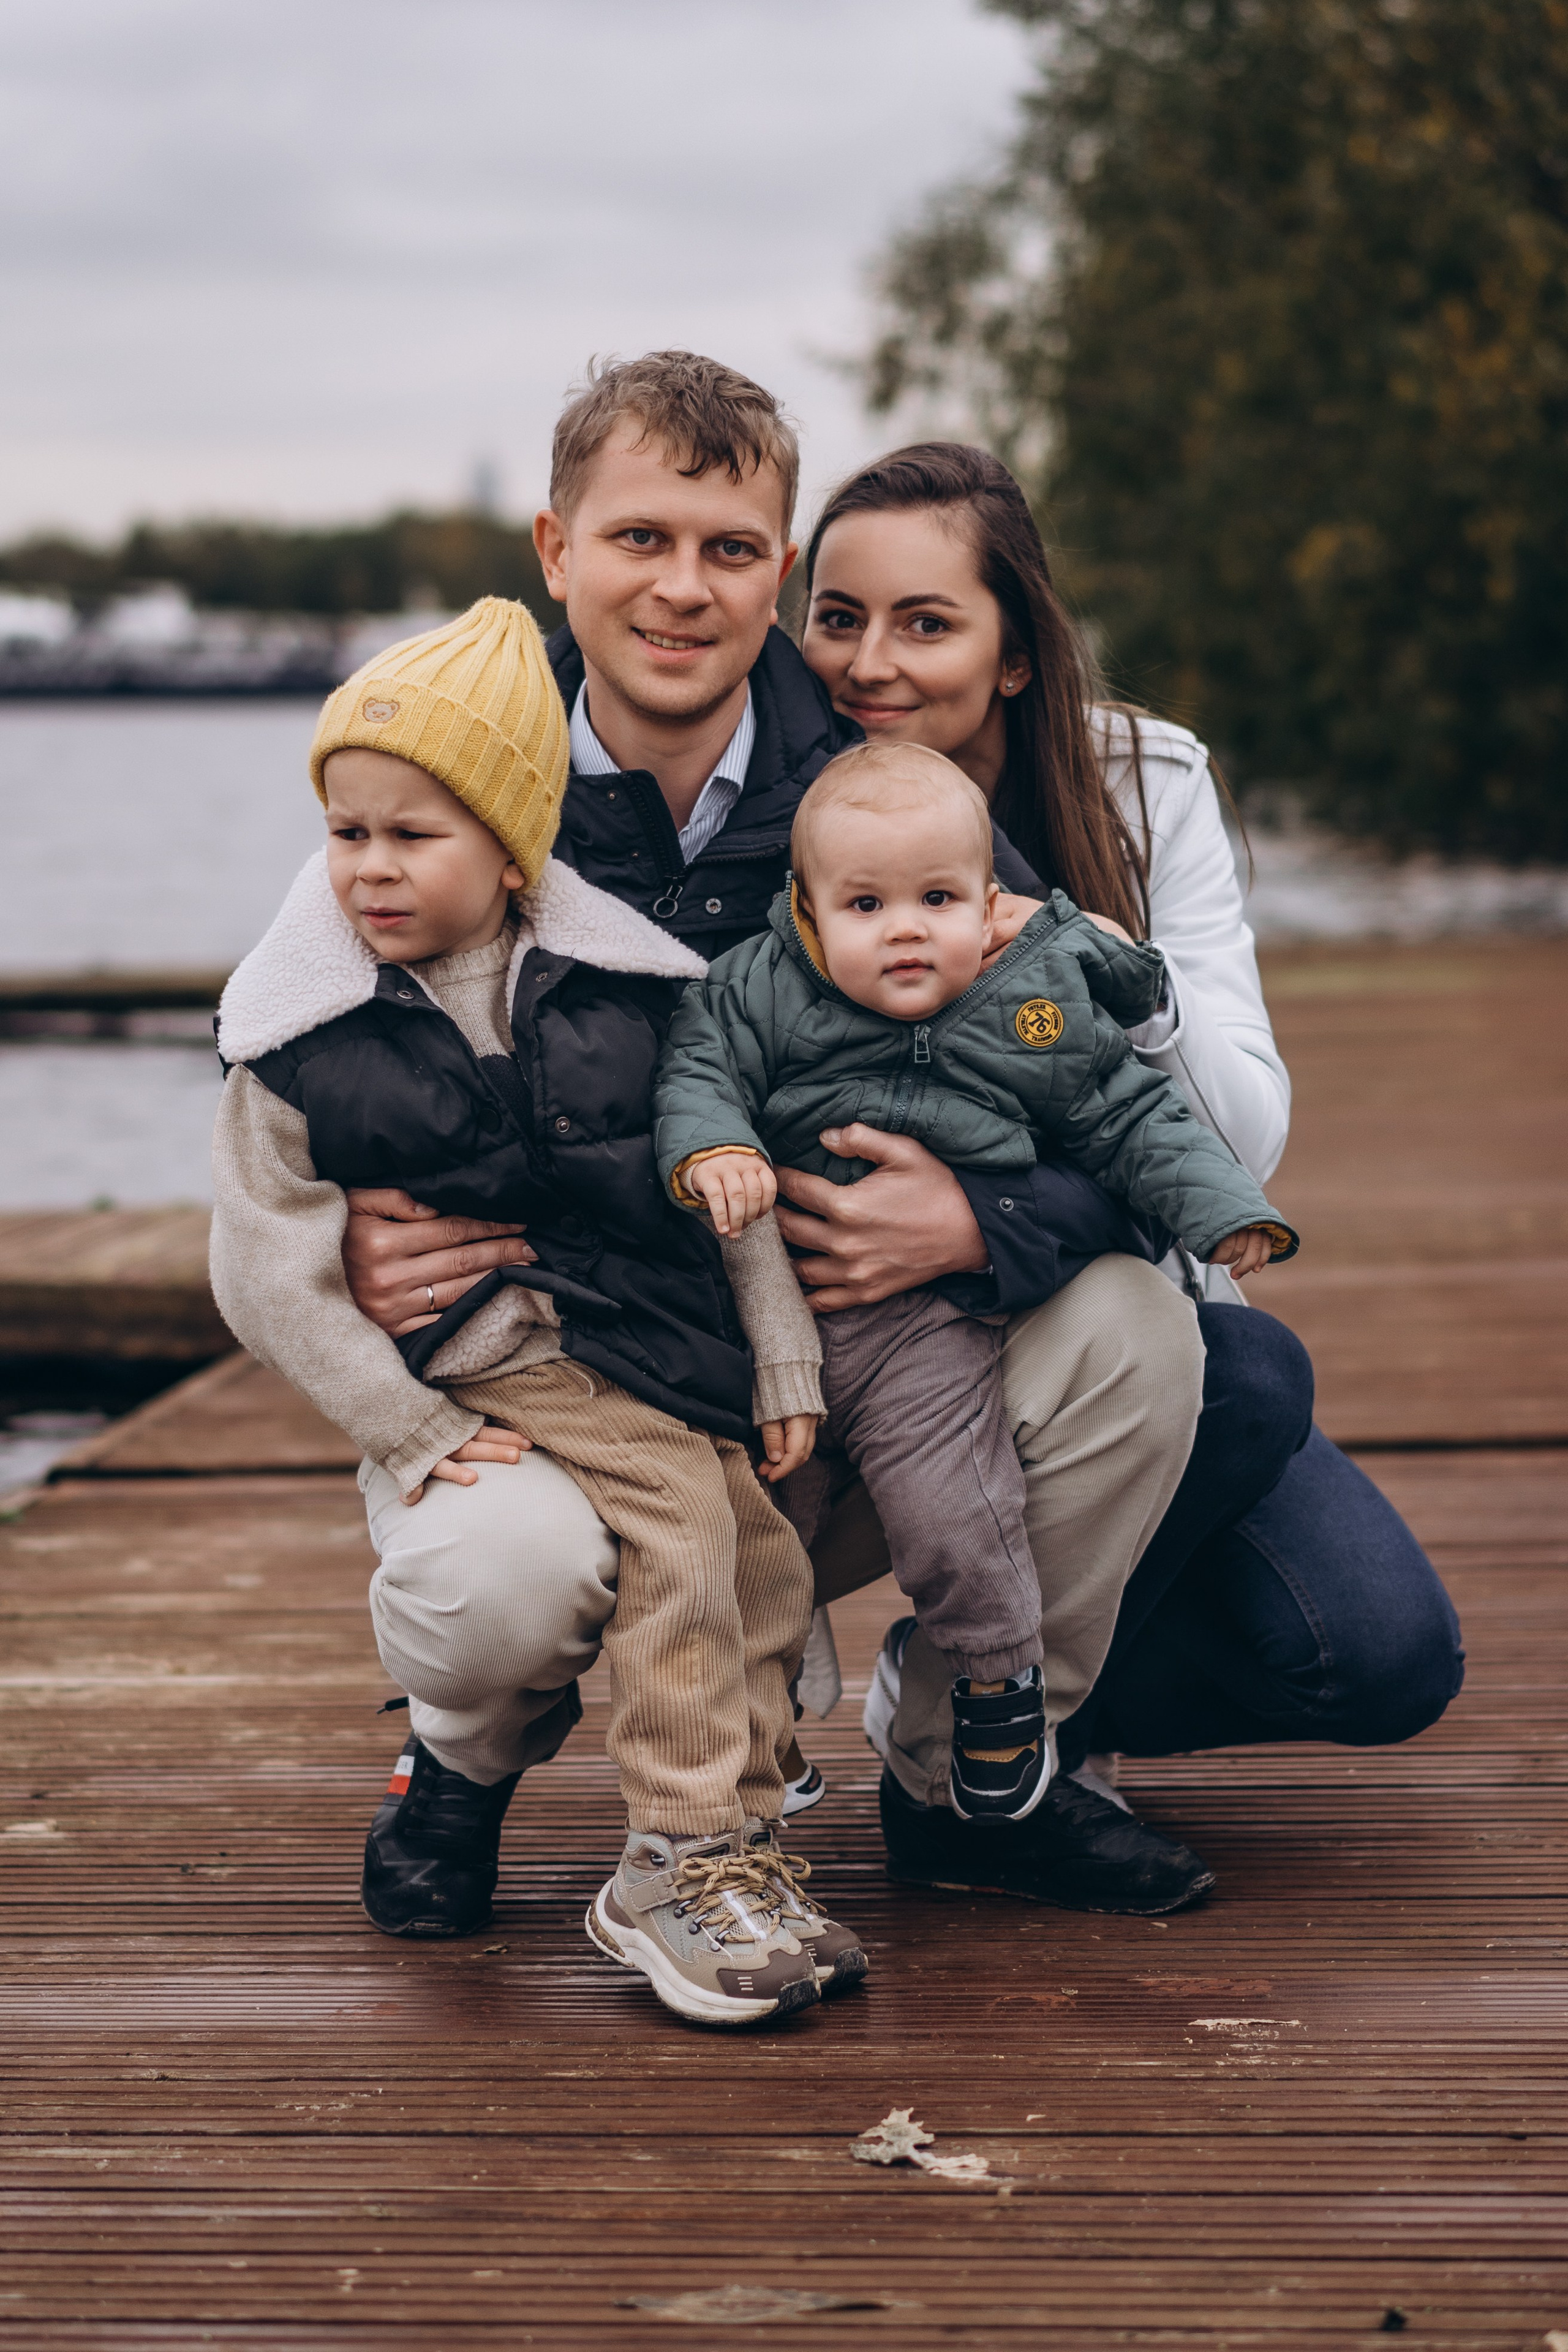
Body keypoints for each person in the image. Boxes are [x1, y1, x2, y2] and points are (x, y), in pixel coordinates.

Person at [337, 355, 1226, 1923]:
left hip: (839, 1377)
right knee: (503, 1583)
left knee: (1136, 1330)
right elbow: (292, 1041)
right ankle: (456, 1762)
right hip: (581, 1364)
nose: (683, 590)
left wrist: (983, 1225)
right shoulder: (456, 770)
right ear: (556, 552)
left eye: (733, 550)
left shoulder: (877, 807)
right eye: (640, 540)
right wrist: (348, 1223)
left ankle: (976, 1778)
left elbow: (1084, 1074)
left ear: (780, 575)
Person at [787, 442, 1463, 1898]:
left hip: (1102, 1326)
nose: (869, 663)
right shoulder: (779, 787)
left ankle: (962, 1729)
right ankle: (1002, 1758)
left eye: (923, 621)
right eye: (834, 616)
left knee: (1377, 1652)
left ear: (1015, 650)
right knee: (1250, 1379)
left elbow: (1241, 1143)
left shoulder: (1141, 787)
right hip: (860, 1348)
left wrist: (1096, 1002)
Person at [208, 593, 869, 2027]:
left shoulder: (620, 987)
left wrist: (779, 1353)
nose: (366, 871)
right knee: (687, 1533)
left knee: (758, 1554)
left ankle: (742, 1847)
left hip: (641, 1343)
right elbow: (261, 1264)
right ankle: (670, 1860)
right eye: (346, 832)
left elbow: (721, 1178)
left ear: (513, 853)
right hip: (498, 1359)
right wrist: (401, 1422)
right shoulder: (305, 1034)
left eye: (410, 835)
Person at [654, 738, 1296, 1823]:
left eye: (937, 898)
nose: (906, 928)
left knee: (960, 1514)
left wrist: (1226, 1209)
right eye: (865, 905)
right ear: (805, 911)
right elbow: (697, 1068)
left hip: (923, 1337)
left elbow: (1129, 1116)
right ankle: (753, 1739)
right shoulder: (756, 988)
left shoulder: (1031, 999)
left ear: (992, 904)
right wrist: (713, 1147)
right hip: (776, 1336)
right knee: (755, 1538)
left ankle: (998, 1688)